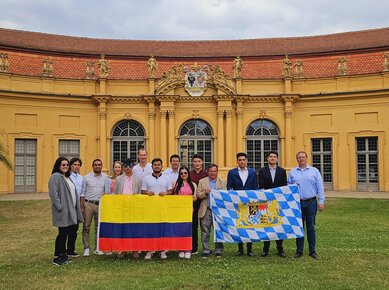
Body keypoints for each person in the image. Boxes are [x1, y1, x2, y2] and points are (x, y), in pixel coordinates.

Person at [288, 151, 325, 259]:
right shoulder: (292, 172)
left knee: (311, 227)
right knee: (299, 227)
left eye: (303, 157)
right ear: (296, 159)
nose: (301, 159)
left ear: (307, 158)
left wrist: (321, 201)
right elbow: (288, 186)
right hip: (297, 202)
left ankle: (312, 251)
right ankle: (299, 251)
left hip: (311, 202)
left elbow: (320, 187)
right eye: (299, 157)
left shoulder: (314, 171)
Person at [49, 157, 83, 266]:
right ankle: (57, 257)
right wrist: (60, 207)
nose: (65, 167)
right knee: (62, 233)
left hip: (70, 210)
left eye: (67, 165)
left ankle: (63, 254)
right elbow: (54, 194)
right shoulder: (55, 176)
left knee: (67, 232)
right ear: (58, 165)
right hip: (63, 211)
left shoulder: (67, 177)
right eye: (63, 165)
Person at [227, 152, 258, 256]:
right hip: (238, 204)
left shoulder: (253, 172)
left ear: (247, 161)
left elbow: (255, 187)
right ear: (237, 161)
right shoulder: (232, 173)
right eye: (239, 160)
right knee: (239, 224)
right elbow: (229, 187)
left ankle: (249, 249)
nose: (242, 161)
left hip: (251, 203)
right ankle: (240, 249)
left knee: (251, 224)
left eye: (243, 160)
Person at [141, 158, 173, 260]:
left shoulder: (167, 178)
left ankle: (162, 250)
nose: (157, 166)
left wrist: (166, 193)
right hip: (150, 209)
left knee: (162, 229)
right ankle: (149, 250)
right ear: (152, 166)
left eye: (159, 164)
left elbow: (171, 191)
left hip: (163, 208)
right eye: (155, 165)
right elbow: (142, 191)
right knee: (150, 229)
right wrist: (147, 193)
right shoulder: (146, 178)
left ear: (162, 166)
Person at [258, 151, 287, 258]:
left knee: (279, 224)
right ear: (267, 159)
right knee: (267, 224)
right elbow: (261, 185)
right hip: (266, 202)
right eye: (271, 156)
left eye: (274, 157)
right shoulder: (262, 171)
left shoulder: (282, 171)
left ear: (277, 159)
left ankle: (280, 249)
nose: (272, 158)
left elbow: (284, 186)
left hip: (278, 202)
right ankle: (265, 249)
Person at [113, 158, 142, 259]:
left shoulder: (138, 179)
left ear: (133, 166)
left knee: (134, 228)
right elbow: (115, 193)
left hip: (134, 207)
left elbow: (140, 193)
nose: (128, 168)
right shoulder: (118, 179)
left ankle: (135, 250)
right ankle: (123, 249)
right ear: (123, 167)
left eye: (130, 166)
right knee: (123, 228)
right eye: (125, 166)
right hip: (122, 207)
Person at [196, 164, 226, 258]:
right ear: (208, 172)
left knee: (218, 230)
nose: (213, 173)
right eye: (211, 171)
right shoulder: (202, 181)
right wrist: (205, 193)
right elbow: (198, 195)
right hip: (206, 209)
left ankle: (218, 250)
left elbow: (225, 195)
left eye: (214, 171)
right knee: (205, 230)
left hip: (218, 210)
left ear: (217, 172)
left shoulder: (222, 182)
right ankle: (206, 250)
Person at [80, 159, 107, 257]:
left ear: (101, 166)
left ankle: (97, 248)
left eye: (99, 165)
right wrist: (82, 205)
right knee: (86, 226)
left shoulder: (106, 177)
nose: (97, 166)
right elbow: (82, 192)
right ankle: (86, 248)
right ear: (92, 166)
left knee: (98, 227)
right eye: (95, 165)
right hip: (88, 204)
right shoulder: (86, 177)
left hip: (100, 204)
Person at [173, 166, 197, 259]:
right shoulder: (177, 184)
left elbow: (195, 198)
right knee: (180, 230)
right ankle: (181, 249)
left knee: (188, 230)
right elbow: (174, 197)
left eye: (185, 173)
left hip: (189, 210)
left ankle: (188, 249)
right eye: (181, 173)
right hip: (179, 210)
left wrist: (189, 198)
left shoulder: (193, 184)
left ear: (188, 174)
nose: (183, 175)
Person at [189, 154, 208, 255]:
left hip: (204, 201)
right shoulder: (189, 174)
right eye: (195, 161)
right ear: (192, 162)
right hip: (193, 203)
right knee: (193, 226)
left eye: (199, 161)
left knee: (205, 226)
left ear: (202, 162)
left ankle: (206, 248)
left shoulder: (206, 173)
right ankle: (194, 247)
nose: (197, 163)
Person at [68, 157, 84, 258]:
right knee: (67, 228)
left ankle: (71, 249)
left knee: (75, 229)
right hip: (69, 205)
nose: (77, 167)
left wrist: (81, 205)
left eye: (78, 165)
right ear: (71, 165)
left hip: (77, 206)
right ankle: (65, 249)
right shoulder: (67, 177)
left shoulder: (81, 178)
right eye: (75, 164)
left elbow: (82, 192)